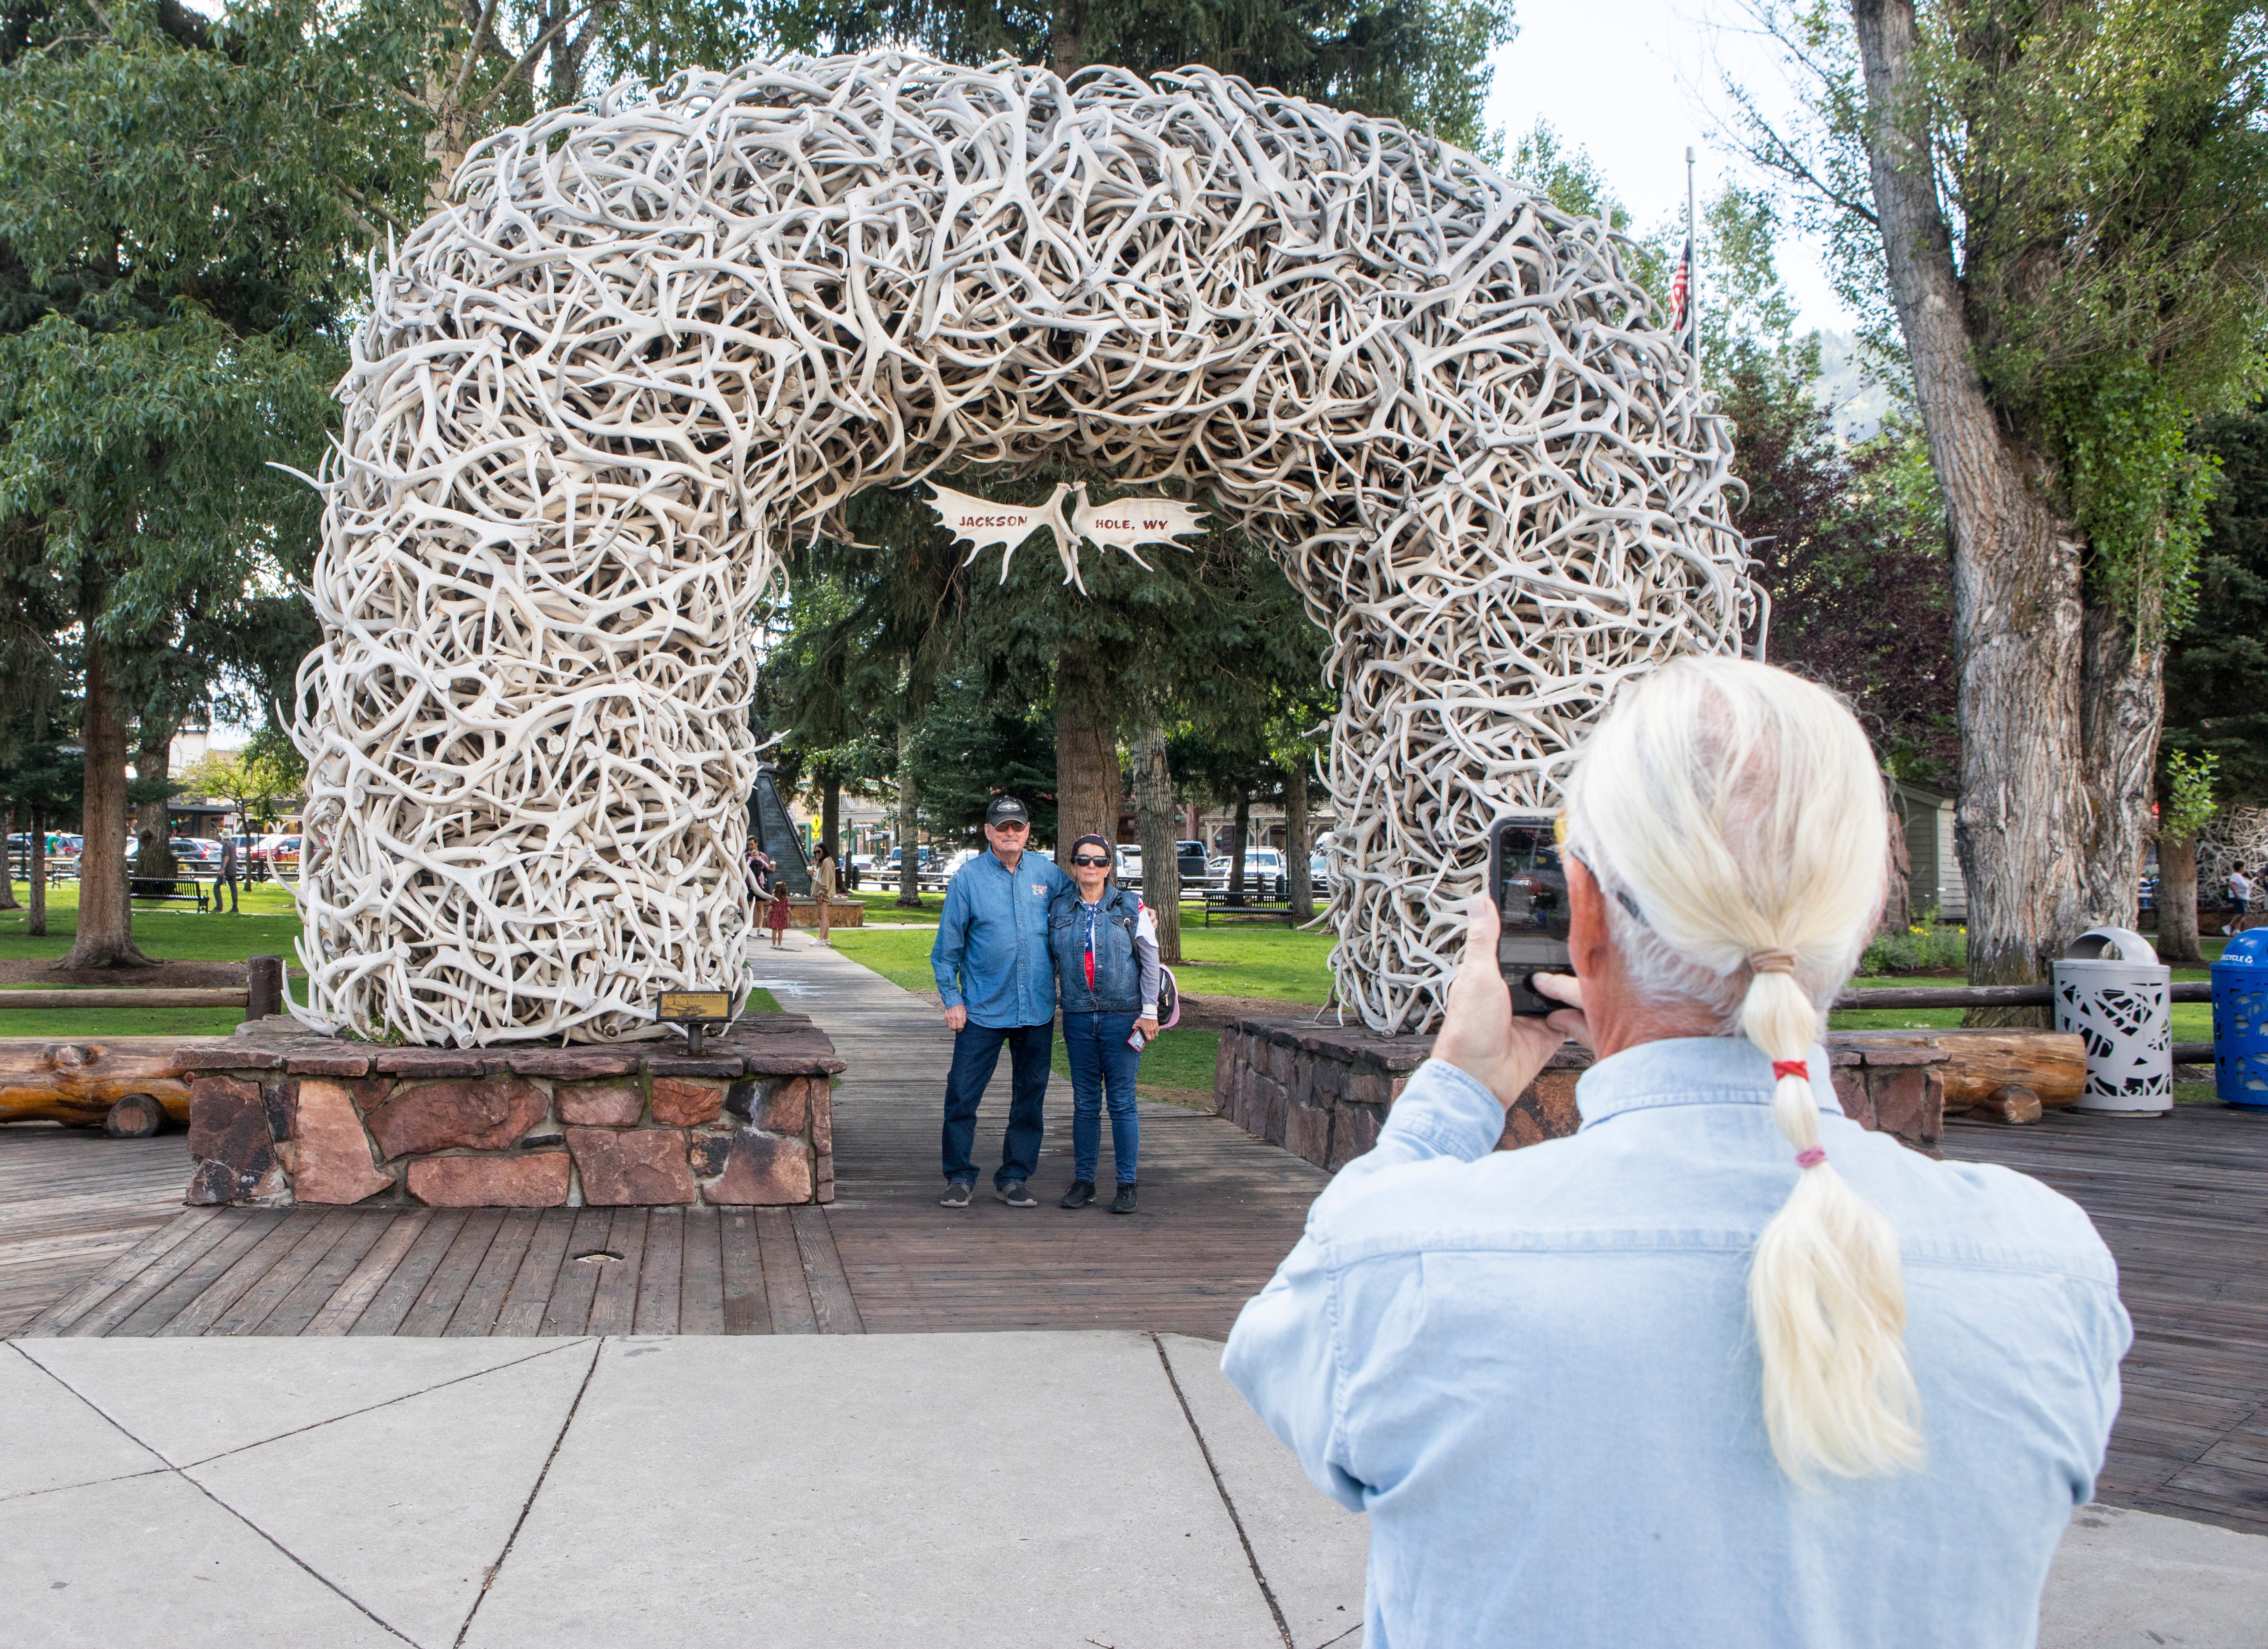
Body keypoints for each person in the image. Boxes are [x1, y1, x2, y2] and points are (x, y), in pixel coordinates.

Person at [1224, 657, 2128, 1649]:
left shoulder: (1404, 1263)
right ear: (1863, 913)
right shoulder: (2051, 1268)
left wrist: (1458, 1088)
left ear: (1581, 913)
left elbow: (1283, 1356)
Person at [930, 795, 1070, 1208]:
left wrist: (1135, 910)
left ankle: (1015, 1176)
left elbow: (1089, 901)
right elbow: (945, 951)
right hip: (982, 1010)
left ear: (1028, 830)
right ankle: (958, 1176)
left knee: (1030, 1097)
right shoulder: (967, 880)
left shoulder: (1050, 875)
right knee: (962, 1095)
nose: (1010, 833)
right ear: (989, 831)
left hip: (1036, 1009)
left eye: (1018, 826)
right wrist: (952, 999)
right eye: (1002, 826)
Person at [1049, 834, 1161, 1213]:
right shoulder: (1059, 908)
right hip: (1079, 1017)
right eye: (1083, 861)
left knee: (1123, 1103)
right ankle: (1085, 1182)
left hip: (1122, 1019)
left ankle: (1127, 1184)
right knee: (1084, 1104)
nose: (1091, 867)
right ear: (1074, 866)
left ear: (1110, 867)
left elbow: (1150, 962)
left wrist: (1149, 1012)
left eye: (1098, 861)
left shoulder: (1132, 906)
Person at [812, 842, 839, 947]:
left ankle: (821, 939)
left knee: (822, 916)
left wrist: (822, 892)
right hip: (822, 892)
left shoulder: (827, 862)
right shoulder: (823, 862)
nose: (817, 854)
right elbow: (821, 877)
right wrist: (813, 874)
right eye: (815, 852)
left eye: (819, 851)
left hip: (824, 893)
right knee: (824, 916)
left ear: (824, 850)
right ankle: (827, 939)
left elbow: (826, 879)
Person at [211, 834, 240, 915]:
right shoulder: (233, 844)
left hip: (227, 870)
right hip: (233, 869)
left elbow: (226, 856)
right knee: (234, 889)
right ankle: (235, 907)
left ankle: (219, 907)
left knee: (216, 886)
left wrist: (223, 869)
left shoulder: (225, 844)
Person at [2226, 864, 2253, 934]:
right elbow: (2231, 884)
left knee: (2240, 914)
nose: (2245, 869)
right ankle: (2229, 926)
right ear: (2241, 868)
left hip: (2242, 897)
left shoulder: (2240, 876)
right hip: (2238, 898)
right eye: (2244, 867)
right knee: (2242, 913)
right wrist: (2236, 895)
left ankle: (2237, 930)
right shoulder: (2236, 876)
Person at [766, 881, 792, 950]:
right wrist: (791, 913)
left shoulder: (774, 899)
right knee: (781, 931)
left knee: (774, 930)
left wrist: (768, 915)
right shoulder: (785, 899)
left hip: (775, 915)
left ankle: (774, 944)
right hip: (782, 916)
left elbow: (771, 907)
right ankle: (780, 944)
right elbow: (788, 907)